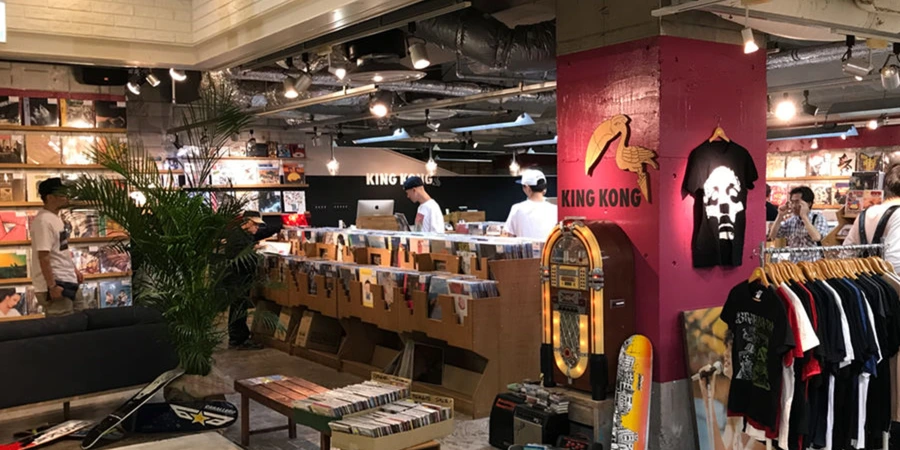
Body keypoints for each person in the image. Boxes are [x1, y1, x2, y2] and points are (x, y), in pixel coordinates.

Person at [226, 211, 280, 350]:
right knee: (239, 308)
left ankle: (239, 337)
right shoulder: (238, 237)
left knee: (240, 307)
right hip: (238, 278)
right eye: (256, 224)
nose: (257, 228)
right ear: (248, 222)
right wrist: (254, 249)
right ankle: (238, 339)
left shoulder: (243, 234)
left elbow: (261, 234)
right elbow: (239, 257)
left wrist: (280, 227)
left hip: (241, 278)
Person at [31, 178, 84, 317]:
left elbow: (61, 249)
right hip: (57, 283)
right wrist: (52, 286)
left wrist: (74, 270)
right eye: (61, 194)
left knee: (82, 321)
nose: (66, 197)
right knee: (64, 329)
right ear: (49, 197)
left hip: (67, 279)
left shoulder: (55, 218)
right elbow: (43, 256)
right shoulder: (43, 221)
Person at [843, 163, 900, 269]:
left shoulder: (865, 213)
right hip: (890, 283)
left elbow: (846, 254)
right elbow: (896, 263)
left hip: (868, 281)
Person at [768, 186, 830, 261]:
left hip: (813, 265)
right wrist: (780, 215)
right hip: (795, 266)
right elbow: (773, 235)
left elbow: (817, 237)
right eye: (792, 202)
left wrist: (804, 216)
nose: (794, 206)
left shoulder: (818, 217)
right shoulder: (792, 220)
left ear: (809, 203)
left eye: (797, 202)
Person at [503, 169, 557, 240]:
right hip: (548, 250)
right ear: (544, 188)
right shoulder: (555, 210)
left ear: (527, 188)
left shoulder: (517, 209)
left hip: (523, 251)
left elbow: (507, 236)